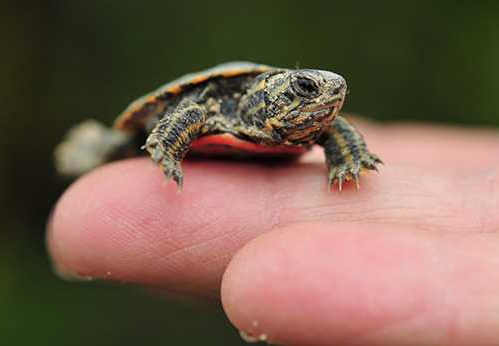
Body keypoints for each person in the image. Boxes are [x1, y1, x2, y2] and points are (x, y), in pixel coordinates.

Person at [48, 120, 499, 345]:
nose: (326, 98)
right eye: (304, 89)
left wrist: (347, 157)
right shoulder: (226, 104)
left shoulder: (314, 123)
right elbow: (186, 110)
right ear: (269, 96)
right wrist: (170, 145)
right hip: (167, 128)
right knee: (120, 149)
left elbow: (335, 127)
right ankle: (98, 144)